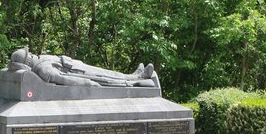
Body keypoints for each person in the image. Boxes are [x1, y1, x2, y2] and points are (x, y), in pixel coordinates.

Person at [8, 48, 156, 87]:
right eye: (29, 55)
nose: (32, 54)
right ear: (27, 62)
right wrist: (86, 83)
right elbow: (63, 79)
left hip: (77, 65)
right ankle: (136, 78)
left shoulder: (41, 61)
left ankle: (133, 75)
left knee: (107, 72)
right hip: (79, 73)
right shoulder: (42, 69)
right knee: (107, 77)